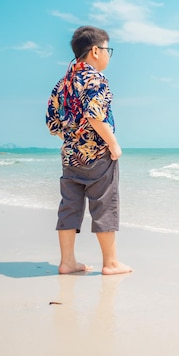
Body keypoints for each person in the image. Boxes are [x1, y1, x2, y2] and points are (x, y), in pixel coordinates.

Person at [46, 25, 132, 275]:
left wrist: (74, 138)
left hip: (71, 157)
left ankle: (67, 262)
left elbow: (52, 123)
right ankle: (111, 263)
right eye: (108, 50)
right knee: (104, 204)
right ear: (95, 50)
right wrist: (113, 144)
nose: (108, 55)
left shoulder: (62, 84)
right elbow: (95, 115)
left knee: (69, 207)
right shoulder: (96, 79)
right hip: (97, 155)